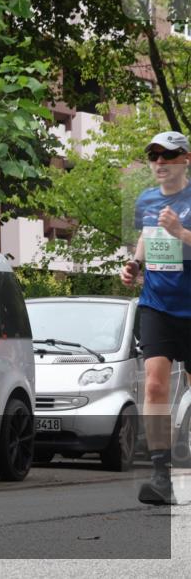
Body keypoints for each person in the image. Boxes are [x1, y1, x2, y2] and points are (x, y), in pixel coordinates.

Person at [119, 131, 191, 506]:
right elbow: (146, 240)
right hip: (157, 304)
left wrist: (180, 232)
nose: (160, 162)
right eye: (154, 156)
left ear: (186, 159)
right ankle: (161, 475)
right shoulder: (145, 200)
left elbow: (175, 235)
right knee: (154, 386)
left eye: (169, 155)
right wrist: (133, 264)